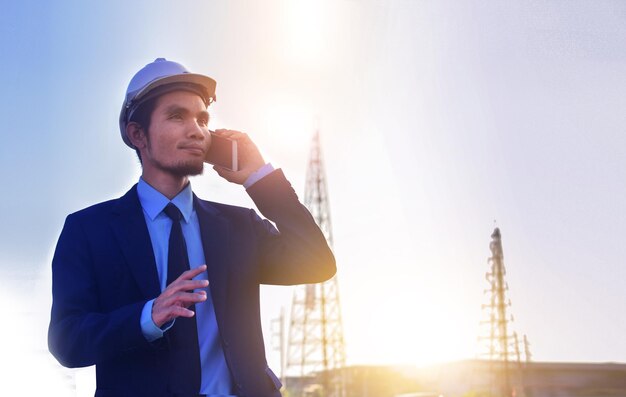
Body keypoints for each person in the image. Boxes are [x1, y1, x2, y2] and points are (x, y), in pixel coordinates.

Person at [48, 58, 336, 397]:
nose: (196, 129)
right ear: (138, 134)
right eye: (176, 116)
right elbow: (67, 341)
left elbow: (316, 261)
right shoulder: (88, 230)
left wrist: (259, 176)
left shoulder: (238, 226)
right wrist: (147, 316)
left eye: (202, 119)